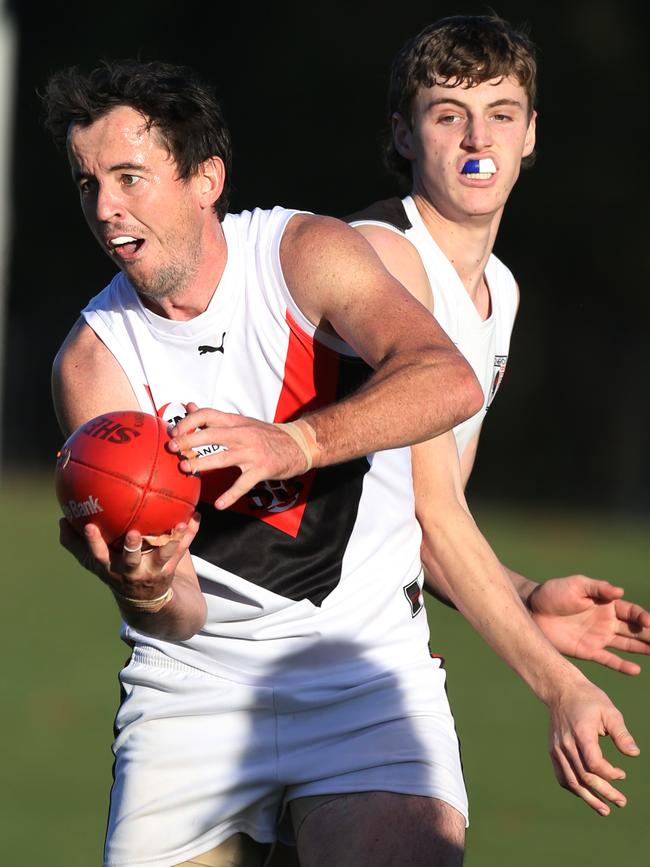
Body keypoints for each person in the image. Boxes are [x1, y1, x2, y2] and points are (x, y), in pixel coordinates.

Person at [45, 58, 641, 867]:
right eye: (89, 185)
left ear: (204, 179)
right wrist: (144, 583)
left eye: (128, 177)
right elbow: (176, 612)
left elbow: (444, 379)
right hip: (193, 689)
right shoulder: (93, 360)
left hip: (365, 678)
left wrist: (294, 440)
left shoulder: (302, 255)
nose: (106, 206)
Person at [347, 11, 650, 820]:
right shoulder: (383, 258)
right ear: (406, 137)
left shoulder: (498, 292)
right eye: (449, 115)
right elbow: (432, 512)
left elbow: (417, 515)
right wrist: (559, 685)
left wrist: (528, 598)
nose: (478, 138)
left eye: (501, 114)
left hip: (363, 647)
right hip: (267, 640)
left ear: (530, 134)